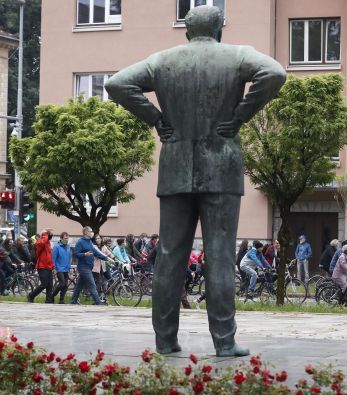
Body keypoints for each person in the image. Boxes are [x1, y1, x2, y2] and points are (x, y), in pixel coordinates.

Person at [105, 4, 286, 357]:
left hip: (175, 166)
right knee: (219, 255)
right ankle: (224, 341)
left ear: (187, 31)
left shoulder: (163, 60)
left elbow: (116, 83)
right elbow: (274, 73)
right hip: (222, 163)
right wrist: (240, 116)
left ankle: (165, 340)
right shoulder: (236, 55)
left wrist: (155, 118)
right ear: (219, 29)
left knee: (170, 256)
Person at [71, 226, 109, 305]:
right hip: (83, 267)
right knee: (92, 284)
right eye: (90, 231)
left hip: (89, 267)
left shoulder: (89, 242)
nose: (92, 233)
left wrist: (107, 258)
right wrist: (84, 254)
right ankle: (98, 302)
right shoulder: (80, 242)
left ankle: (73, 301)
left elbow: (96, 252)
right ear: (85, 232)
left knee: (79, 286)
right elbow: (76, 254)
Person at [28, 230, 55, 303]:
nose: (51, 235)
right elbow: (41, 243)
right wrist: (45, 233)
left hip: (48, 266)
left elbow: (49, 256)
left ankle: (48, 300)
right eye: (50, 233)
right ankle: (31, 295)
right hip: (42, 266)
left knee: (50, 285)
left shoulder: (48, 243)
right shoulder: (41, 241)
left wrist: (52, 266)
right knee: (44, 284)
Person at [51, 232, 72, 304]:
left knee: (66, 285)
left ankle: (61, 300)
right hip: (59, 268)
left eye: (67, 238)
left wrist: (69, 267)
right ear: (61, 238)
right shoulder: (56, 247)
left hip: (66, 269)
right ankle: (52, 295)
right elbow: (53, 258)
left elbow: (69, 258)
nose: (66, 239)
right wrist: (54, 268)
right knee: (62, 284)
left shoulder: (68, 246)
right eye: (65, 238)